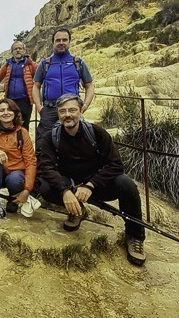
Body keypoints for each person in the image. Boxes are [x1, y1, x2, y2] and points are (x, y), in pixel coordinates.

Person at [38, 94, 146, 266]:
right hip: (71, 186)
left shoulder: (96, 133)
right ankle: (77, 211)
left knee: (126, 184)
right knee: (46, 188)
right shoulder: (50, 138)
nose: (68, 115)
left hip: (97, 186)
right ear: (58, 114)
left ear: (81, 111)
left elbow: (116, 164)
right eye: (63, 111)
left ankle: (135, 236)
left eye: (72, 110)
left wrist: (91, 185)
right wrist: (64, 190)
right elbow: (47, 168)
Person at [0, 98, 37, 223]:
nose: (6, 113)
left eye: (9, 110)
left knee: (15, 179)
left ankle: (13, 198)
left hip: (16, 175)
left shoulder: (22, 133)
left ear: (15, 113)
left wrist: (27, 190)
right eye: (2, 110)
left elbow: (31, 162)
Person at [32, 27, 94, 146]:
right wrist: (40, 108)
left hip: (72, 108)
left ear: (69, 42)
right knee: (44, 143)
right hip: (49, 109)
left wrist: (84, 106)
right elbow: (36, 86)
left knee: (76, 141)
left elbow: (89, 86)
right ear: (53, 42)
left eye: (64, 40)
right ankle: (44, 164)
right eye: (58, 40)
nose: (61, 43)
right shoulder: (45, 63)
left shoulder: (78, 63)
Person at [0, 40, 37, 130]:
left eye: (20, 48)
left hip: (25, 100)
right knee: (10, 124)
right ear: (12, 52)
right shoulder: (8, 64)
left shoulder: (30, 64)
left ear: (24, 51)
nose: (18, 50)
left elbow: (40, 75)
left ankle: (24, 143)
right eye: (15, 49)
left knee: (24, 126)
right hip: (10, 100)